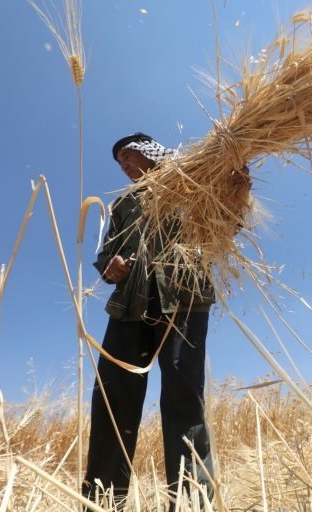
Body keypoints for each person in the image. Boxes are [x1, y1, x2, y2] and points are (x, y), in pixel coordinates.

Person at [83, 132, 248, 510]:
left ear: (149, 151)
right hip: (130, 303)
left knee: (182, 392)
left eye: (128, 155)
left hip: (184, 294)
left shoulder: (192, 180)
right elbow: (106, 254)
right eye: (120, 162)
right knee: (112, 394)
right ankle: (103, 501)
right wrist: (111, 267)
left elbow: (225, 226)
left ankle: (192, 501)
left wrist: (238, 191)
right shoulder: (125, 203)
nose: (124, 165)